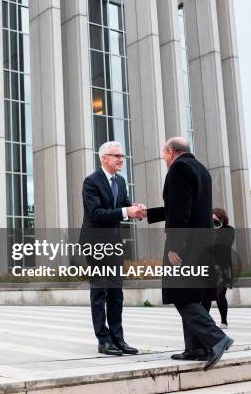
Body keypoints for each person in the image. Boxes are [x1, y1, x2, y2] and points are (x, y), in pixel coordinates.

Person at [146, 137, 233, 371]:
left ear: (171, 151)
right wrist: (148, 213)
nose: (164, 157)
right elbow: (184, 206)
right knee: (197, 295)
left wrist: (174, 245)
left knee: (181, 294)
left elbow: (180, 212)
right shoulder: (201, 170)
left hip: (184, 244)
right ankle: (197, 348)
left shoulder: (178, 169)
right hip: (202, 242)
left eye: (164, 153)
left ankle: (216, 338)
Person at [80, 141, 145, 356]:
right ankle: (103, 340)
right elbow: (96, 214)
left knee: (116, 293)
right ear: (103, 158)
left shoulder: (121, 181)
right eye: (116, 155)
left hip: (114, 243)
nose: (121, 159)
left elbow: (123, 206)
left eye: (122, 156)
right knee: (100, 292)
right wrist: (126, 211)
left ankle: (118, 339)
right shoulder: (91, 182)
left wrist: (136, 209)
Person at [201, 208, 235, 329]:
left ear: (222, 219)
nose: (213, 222)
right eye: (211, 220)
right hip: (209, 267)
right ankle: (205, 322)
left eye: (216, 220)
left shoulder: (228, 230)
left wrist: (217, 230)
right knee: (206, 296)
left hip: (223, 268)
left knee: (220, 295)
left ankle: (224, 321)